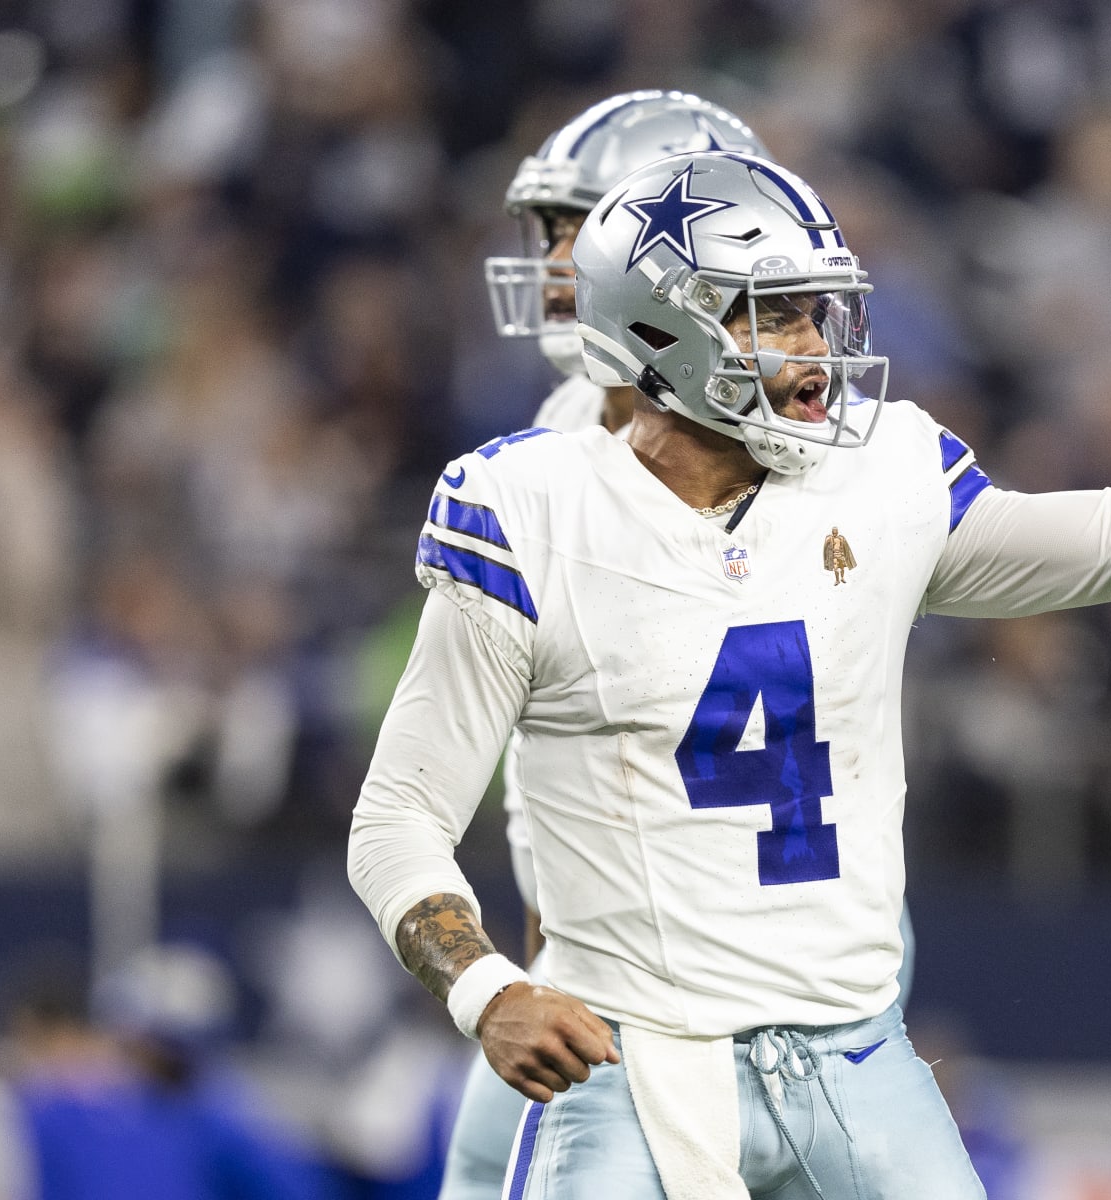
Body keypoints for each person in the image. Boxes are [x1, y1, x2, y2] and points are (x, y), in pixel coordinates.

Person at [349, 148, 1111, 1198]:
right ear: (663, 332)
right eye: (778, 316)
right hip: (630, 1056)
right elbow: (398, 815)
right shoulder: (529, 510)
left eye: (819, 311)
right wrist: (488, 988)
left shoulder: (882, 470)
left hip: (855, 1060)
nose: (820, 349)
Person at [443, 90, 769, 1200]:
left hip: (735, 946)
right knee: (485, 1169)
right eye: (550, 232)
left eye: (582, 227)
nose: (555, 260)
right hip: (600, 940)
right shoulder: (561, 426)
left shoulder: (769, 448)